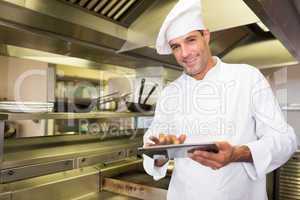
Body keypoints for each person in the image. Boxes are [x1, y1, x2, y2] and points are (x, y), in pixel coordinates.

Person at [142, 0, 298, 199]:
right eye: (176, 46)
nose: (184, 53)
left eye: (190, 40)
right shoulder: (170, 93)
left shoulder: (247, 78)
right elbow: (153, 150)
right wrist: (159, 155)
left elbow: (285, 140)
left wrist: (238, 153)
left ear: (206, 35)